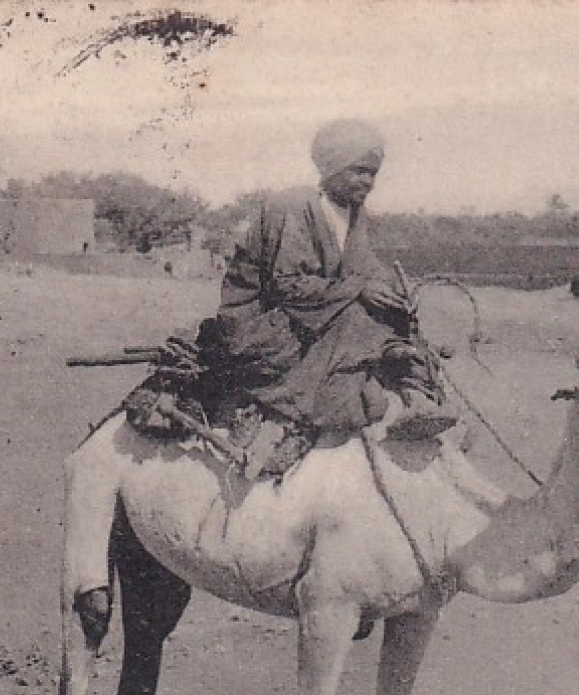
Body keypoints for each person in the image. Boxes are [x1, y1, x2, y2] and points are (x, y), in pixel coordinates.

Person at [170, 119, 455, 463]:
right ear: (333, 167)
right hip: (260, 321)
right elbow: (286, 285)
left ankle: (415, 394)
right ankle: (317, 409)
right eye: (360, 171)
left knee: (389, 308)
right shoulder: (291, 207)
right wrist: (360, 288)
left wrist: (387, 287)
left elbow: (361, 268)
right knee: (356, 315)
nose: (369, 182)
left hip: (310, 313)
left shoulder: (353, 213)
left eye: (373, 173)